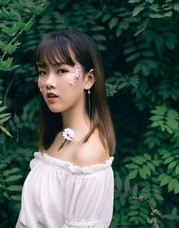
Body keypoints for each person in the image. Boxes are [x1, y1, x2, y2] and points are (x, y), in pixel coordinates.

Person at [16, 29, 116, 228]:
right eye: (43, 72)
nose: (49, 83)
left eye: (62, 70)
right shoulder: (59, 137)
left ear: (89, 79)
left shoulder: (89, 153)